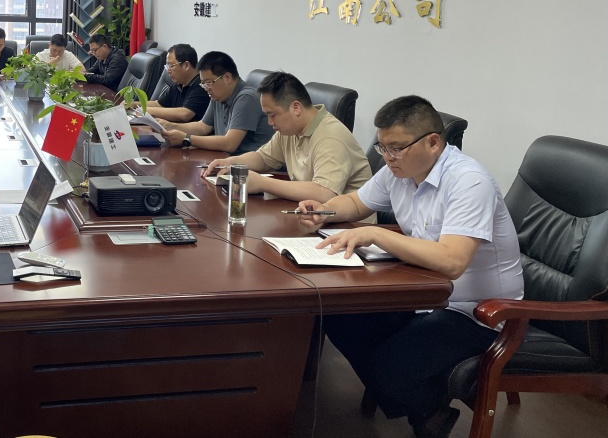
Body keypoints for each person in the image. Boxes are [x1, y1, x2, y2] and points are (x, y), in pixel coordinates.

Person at [297, 95, 523, 438]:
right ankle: (430, 410)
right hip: (424, 297)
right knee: (340, 316)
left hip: (478, 313)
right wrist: (323, 210)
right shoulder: (399, 171)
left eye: (396, 148)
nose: (387, 157)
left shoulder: (468, 181)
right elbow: (356, 202)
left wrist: (377, 234)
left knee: (388, 366)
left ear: (433, 142)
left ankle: (425, 408)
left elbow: (452, 261)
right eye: (382, 147)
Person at [205, 72, 371, 201]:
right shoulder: (290, 129)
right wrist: (232, 163)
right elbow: (264, 158)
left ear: (296, 108)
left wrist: (262, 183)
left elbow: (325, 193)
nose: (270, 122)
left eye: (273, 115)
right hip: (310, 214)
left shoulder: (331, 138)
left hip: (350, 227)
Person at [159, 51, 273, 155]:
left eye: (208, 83)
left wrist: (186, 139)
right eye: (203, 84)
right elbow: (203, 127)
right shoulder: (218, 95)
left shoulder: (247, 97)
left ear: (227, 77)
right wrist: (169, 126)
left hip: (249, 166)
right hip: (225, 159)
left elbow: (229, 144)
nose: (206, 89)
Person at [144, 43, 209, 123]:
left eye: (171, 65)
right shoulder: (180, 83)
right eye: (167, 66)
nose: (168, 71)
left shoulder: (201, 86)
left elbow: (184, 114)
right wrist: (134, 105)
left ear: (186, 65)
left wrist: (146, 110)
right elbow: (159, 104)